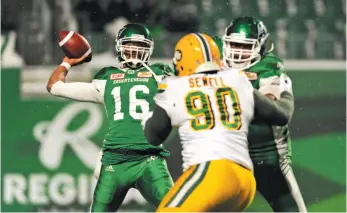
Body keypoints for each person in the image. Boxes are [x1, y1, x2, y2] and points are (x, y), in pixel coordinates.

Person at [141, 32, 294, 212]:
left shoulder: (175, 86)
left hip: (212, 171)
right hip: (244, 180)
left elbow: (154, 136)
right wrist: (285, 92)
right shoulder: (236, 79)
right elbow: (281, 115)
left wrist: (147, 119)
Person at [46, 23, 174, 212]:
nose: (134, 50)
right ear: (120, 47)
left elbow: (54, 86)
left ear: (148, 49)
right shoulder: (109, 78)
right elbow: (55, 88)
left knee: (179, 208)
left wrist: (67, 63)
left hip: (149, 158)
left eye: (139, 46)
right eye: (129, 45)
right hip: (115, 160)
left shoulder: (158, 74)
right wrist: (68, 61)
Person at [218, 16, 307, 212]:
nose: (238, 52)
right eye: (234, 44)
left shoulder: (267, 68)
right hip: (227, 157)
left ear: (261, 47)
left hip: (267, 158)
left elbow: (282, 113)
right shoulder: (214, 59)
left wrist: (244, 90)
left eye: (245, 47)